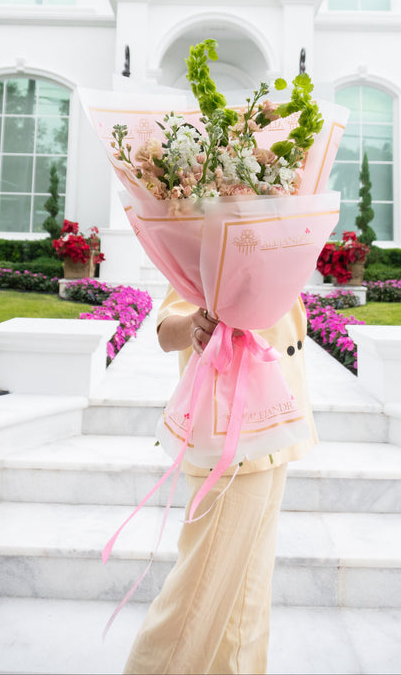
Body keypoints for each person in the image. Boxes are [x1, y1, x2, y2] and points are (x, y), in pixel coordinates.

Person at [123, 286, 318, 675]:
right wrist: (197, 325)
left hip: (276, 432)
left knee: (248, 597)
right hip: (231, 443)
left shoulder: (277, 240)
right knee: (197, 598)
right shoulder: (213, 242)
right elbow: (167, 332)